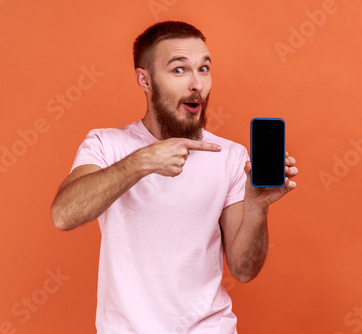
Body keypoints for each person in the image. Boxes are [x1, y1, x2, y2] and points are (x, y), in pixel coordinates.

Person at [51, 20, 298, 334]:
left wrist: (256, 208)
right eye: (179, 70)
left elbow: (244, 270)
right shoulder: (106, 144)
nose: (197, 84)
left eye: (204, 69)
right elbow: (63, 214)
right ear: (145, 79)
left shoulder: (232, 156)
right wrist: (141, 162)